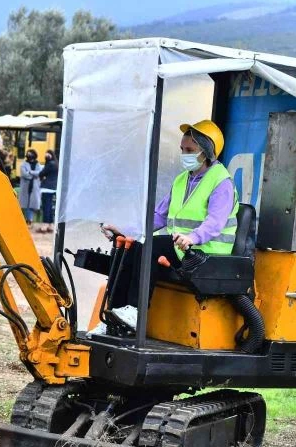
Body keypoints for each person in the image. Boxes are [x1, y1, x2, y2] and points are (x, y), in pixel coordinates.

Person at [101, 120, 238, 329]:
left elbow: (215, 223)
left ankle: (136, 312)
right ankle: (114, 315)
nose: (184, 154)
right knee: (130, 247)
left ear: (207, 151)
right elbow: (159, 216)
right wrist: (125, 230)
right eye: (182, 149)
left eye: (190, 150)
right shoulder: (183, 179)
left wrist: (192, 237)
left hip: (205, 252)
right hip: (182, 248)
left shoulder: (221, 182)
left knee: (151, 248)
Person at [19, 149, 43, 226]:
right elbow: (24, 174)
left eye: (30, 154)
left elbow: (39, 173)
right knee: (26, 204)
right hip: (26, 187)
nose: (28, 155)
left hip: (34, 187)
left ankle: (29, 219)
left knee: (32, 204)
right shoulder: (23, 164)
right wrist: (33, 175)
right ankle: (28, 219)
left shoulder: (38, 164)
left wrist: (30, 172)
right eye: (28, 154)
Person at [37, 149, 58, 233]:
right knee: (50, 207)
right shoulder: (56, 164)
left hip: (46, 188)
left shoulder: (49, 164)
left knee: (46, 207)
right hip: (53, 188)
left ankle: (44, 226)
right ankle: (51, 225)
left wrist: (43, 176)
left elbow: (41, 173)